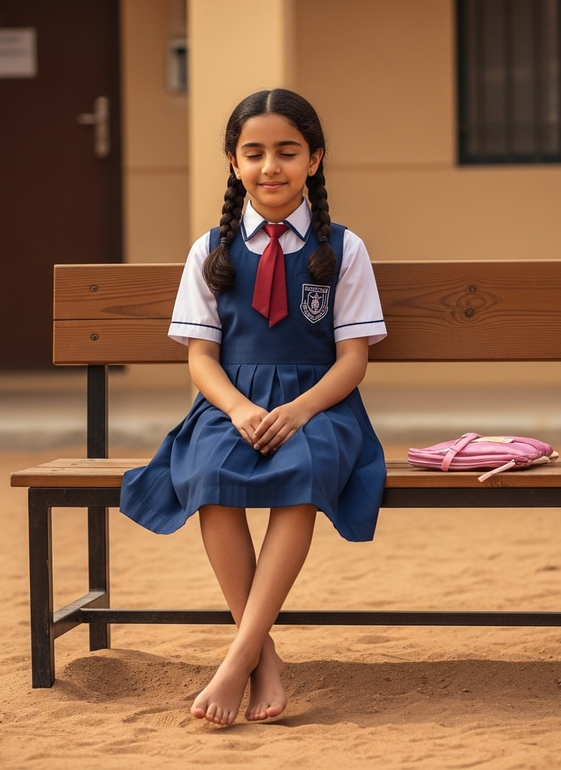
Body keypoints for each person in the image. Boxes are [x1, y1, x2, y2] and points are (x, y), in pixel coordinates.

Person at [120, 88, 386, 726]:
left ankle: (236, 657)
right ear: (234, 164)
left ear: (314, 160)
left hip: (320, 404)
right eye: (255, 153)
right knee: (210, 474)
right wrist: (238, 409)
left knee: (306, 471)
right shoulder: (210, 249)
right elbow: (200, 359)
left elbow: (353, 359)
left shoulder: (343, 250)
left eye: (287, 152)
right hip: (230, 401)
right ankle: (261, 656)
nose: (272, 166)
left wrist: (298, 411)